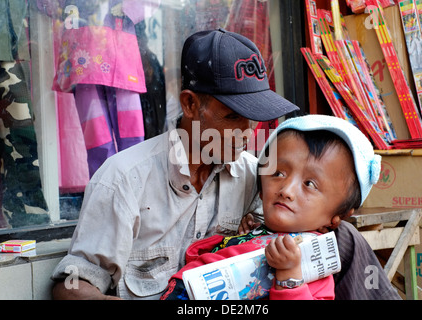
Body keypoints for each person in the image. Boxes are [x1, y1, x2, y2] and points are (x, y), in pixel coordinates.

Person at [51, 29, 401, 300]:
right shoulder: (123, 180)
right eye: (232, 117)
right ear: (190, 105)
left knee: (342, 236)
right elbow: (71, 288)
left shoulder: (255, 174)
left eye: (253, 119)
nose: (246, 132)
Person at [160, 114, 378, 300]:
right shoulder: (257, 229)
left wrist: (290, 276)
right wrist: (240, 239)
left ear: (337, 217)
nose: (286, 190)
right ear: (261, 189)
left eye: (309, 184)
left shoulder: (313, 264)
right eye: (278, 173)